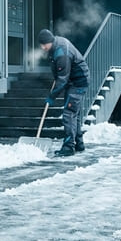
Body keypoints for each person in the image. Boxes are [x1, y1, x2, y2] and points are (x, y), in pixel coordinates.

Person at [38, 29, 90, 157]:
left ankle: (68, 147)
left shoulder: (62, 53)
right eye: (41, 44)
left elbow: (62, 80)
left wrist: (52, 96)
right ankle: (78, 144)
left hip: (77, 82)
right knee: (74, 115)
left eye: (44, 44)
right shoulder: (55, 46)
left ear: (50, 41)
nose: (42, 47)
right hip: (73, 81)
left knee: (69, 114)